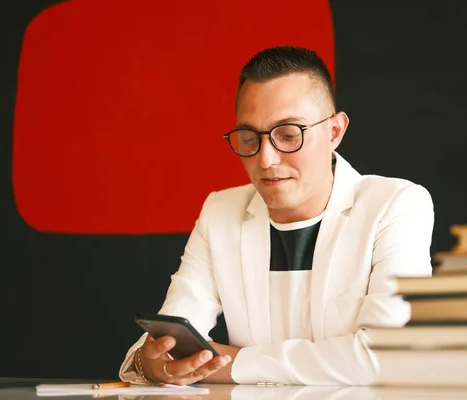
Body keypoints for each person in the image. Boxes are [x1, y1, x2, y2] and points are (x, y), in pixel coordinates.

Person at [119, 46, 434, 386]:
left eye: (288, 135)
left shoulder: (395, 204)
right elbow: (170, 337)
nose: (266, 159)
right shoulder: (220, 212)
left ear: (334, 132)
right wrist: (150, 364)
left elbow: (386, 357)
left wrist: (232, 363)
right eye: (249, 137)